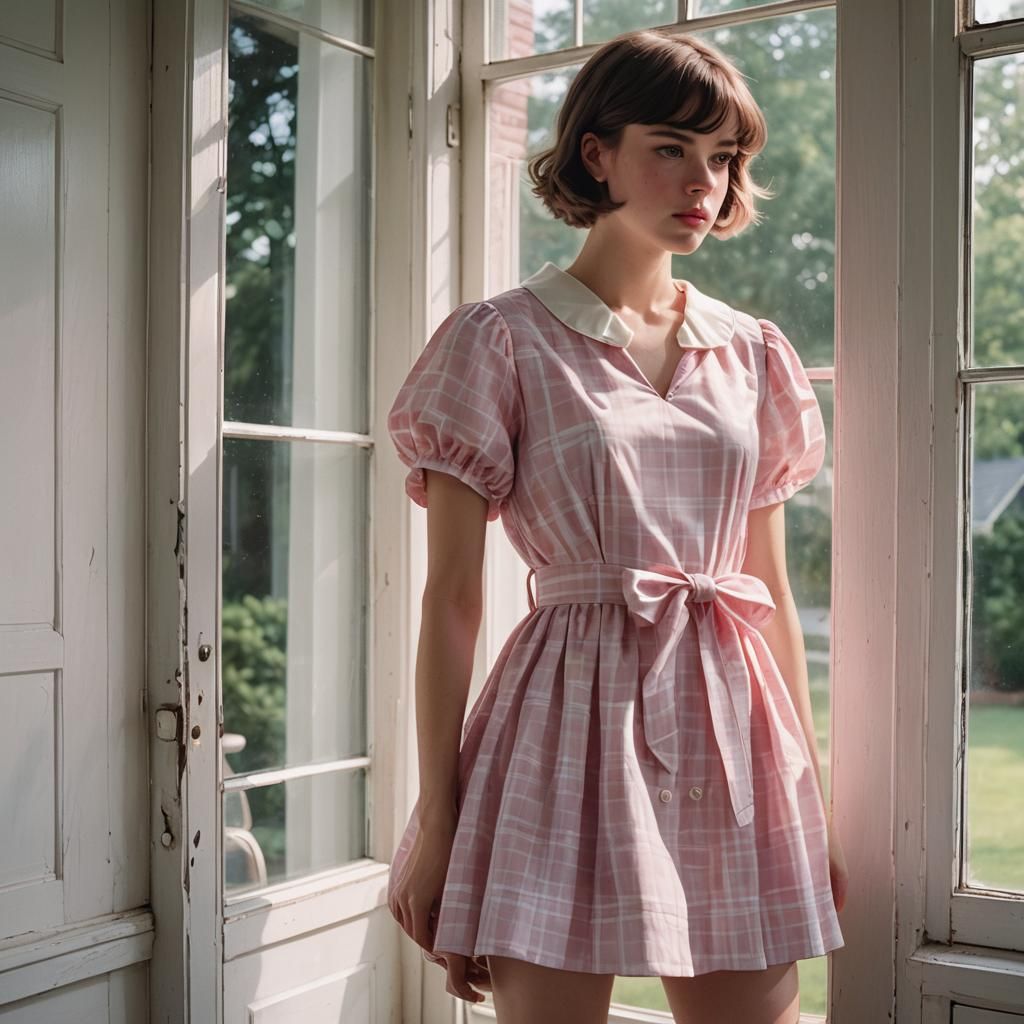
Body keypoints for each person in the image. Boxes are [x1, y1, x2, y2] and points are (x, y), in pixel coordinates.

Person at [385, 26, 850, 1024]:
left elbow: (767, 597)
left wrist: (804, 796)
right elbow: (453, 601)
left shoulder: (753, 354)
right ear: (596, 153)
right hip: (561, 722)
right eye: (671, 147)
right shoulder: (498, 339)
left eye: (723, 158)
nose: (704, 183)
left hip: (732, 734)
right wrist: (439, 822)